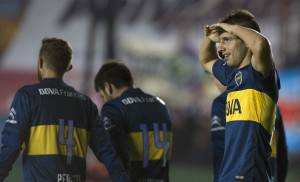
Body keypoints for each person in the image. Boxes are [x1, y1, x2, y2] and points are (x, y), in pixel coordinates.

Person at [0, 38, 129, 182]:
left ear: (40, 62)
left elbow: (11, 147)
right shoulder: (86, 104)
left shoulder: (28, 97)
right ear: (69, 67)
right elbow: (108, 153)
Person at [199, 9, 279, 181]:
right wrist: (209, 38)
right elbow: (205, 60)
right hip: (228, 174)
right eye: (220, 42)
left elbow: (260, 43)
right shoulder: (230, 74)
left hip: (249, 173)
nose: (221, 48)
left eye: (226, 40)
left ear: (245, 41)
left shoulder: (260, 74)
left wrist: (230, 27)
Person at [94, 61, 173, 182]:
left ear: (108, 87)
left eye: (102, 96)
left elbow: (114, 154)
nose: (104, 100)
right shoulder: (161, 105)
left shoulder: (113, 108)